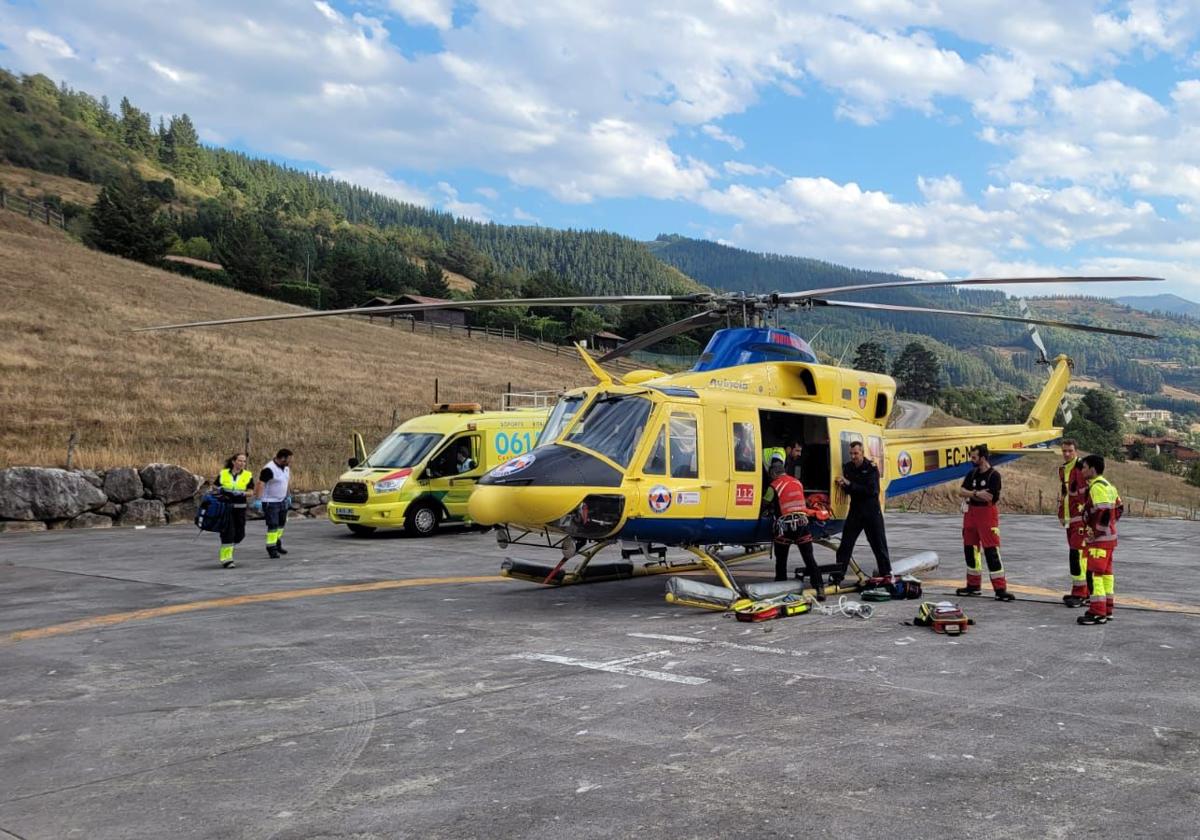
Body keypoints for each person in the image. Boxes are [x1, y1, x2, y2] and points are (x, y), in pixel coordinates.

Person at [956, 444, 1014, 601]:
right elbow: (961, 491)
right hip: (971, 514)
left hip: (987, 515)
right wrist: (976, 493)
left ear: (982, 458)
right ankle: (973, 585)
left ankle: (1000, 589)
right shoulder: (972, 473)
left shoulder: (994, 476)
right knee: (970, 550)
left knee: (991, 552)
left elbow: (989, 497)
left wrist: (973, 494)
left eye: (974, 457)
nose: (971, 460)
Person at [761, 455, 825, 599]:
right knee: (809, 559)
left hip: (785, 527)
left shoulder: (774, 485)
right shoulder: (797, 482)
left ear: (773, 474)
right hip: (802, 524)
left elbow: (765, 503)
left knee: (781, 561)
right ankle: (820, 588)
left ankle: (781, 589)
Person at [833, 440, 892, 582]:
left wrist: (850, 485)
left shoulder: (871, 468)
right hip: (856, 511)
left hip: (871, 512)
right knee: (845, 545)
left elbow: (872, 491)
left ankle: (887, 574)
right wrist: (843, 485)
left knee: (878, 544)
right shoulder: (848, 468)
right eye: (851, 453)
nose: (853, 456)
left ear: (862, 453)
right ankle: (838, 575)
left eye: (856, 453)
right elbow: (849, 490)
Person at [1076, 454, 1122, 626]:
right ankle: (1107, 609)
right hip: (1110, 539)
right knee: (1106, 575)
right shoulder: (1109, 486)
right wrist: (1110, 527)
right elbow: (1119, 508)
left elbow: (1102, 512)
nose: (1082, 470)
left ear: (1093, 469)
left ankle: (1097, 612)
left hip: (1100, 541)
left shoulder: (1096, 487)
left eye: (1085, 467)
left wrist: (1097, 533)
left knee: (1094, 574)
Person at [1057, 439, 1090, 608]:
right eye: (1064, 451)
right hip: (1070, 520)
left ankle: (1081, 593)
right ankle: (1080, 590)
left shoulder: (1082, 468)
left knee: (1078, 555)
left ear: (1076, 451)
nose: (1067, 454)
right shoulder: (1063, 470)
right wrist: (1061, 513)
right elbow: (1064, 493)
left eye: (1070, 451)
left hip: (1081, 520)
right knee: (1075, 555)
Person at [216, 452, 254, 569]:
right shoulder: (223, 474)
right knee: (228, 533)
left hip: (240, 508)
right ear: (233, 462)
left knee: (240, 534)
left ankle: (227, 550)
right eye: (240, 461)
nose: (242, 463)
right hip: (226, 508)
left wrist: (242, 493)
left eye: (244, 461)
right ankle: (226, 559)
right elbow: (214, 487)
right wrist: (220, 489)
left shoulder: (248, 475)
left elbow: (251, 492)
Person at [256, 448, 292, 559]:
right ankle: (271, 548)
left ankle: (277, 543)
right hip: (271, 502)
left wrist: (288, 495)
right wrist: (258, 499)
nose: (290, 462)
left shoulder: (285, 468)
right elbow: (260, 484)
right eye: (289, 459)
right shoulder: (269, 469)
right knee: (273, 525)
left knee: (281, 525)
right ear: (282, 458)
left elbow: (286, 482)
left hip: (282, 501)